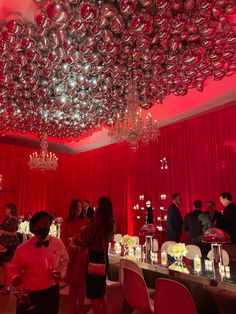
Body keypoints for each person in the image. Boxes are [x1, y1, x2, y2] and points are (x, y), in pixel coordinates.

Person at [9, 211, 68, 314]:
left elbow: (64, 261)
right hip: (29, 293)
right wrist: (15, 277)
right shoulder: (23, 248)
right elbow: (13, 267)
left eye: (45, 224)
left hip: (51, 291)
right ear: (33, 227)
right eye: (39, 225)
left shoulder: (57, 243)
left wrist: (61, 272)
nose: (43, 227)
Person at [74, 197, 115, 314]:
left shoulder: (96, 222)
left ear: (100, 208)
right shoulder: (110, 222)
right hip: (104, 258)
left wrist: (77, 238)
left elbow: (85, 241)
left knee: (94, 296)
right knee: (101, 294)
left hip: (94, 260)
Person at [61, 199, 89, 314]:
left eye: (80, 207)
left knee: (81, 284)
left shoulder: (86, 221)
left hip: (82, 255)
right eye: (76, 206)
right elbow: (62, 237)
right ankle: (73, 309)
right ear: (72, 209)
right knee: (72, 283)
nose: (78, 208)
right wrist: (71, 240)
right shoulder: (67, 222)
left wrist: (80, 241)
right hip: (71, 255)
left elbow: (89, 238)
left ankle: (81, 309)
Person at [0, 203, 19, 294]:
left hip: (9, 244)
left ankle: (8, 284)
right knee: (5, 263)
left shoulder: (13, 219)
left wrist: (3, 231)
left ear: (11, 209)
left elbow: (14, 233)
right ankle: (6, 281)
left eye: (6, 209)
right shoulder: (8, 219)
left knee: (6, 263)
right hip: (4, 243)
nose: (5, 210)